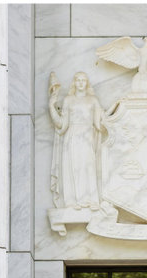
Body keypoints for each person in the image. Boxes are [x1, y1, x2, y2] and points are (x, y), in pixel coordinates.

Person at [48, 71, 104, 208]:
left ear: (87, 83)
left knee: (88, 166)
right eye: (78, 80)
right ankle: (72, 201)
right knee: (73, 168)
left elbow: (98, 124)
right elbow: (62, 124)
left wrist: (113, 115)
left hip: (87, 135)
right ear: (74, 82)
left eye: (83, 80)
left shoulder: (93, 100)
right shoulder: (68, 100)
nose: (80, 83)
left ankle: (91, 200)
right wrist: (51, 106)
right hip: (72, 136)